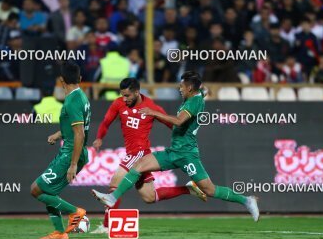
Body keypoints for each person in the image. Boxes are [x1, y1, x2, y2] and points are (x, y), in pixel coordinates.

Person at [92, 71, 260, 222]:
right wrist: (204, 91)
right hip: (174, 152)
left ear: (189, 88)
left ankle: (246, 200)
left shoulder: (192, 103)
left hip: (187, 154)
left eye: (182, 86)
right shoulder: (196, 95)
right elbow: (203, 91)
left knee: (210, 189)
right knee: (139, 165)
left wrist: (153, 112)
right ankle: (113, 198)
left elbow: (179, 121)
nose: (179, 89)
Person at [91, 78, 207, 234]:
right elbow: (106, 122)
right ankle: (188, 189)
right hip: (135, 155)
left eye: (127, 96)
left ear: (137, 92)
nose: (124, 99)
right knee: (149, 197)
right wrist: (99, 138)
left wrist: (187, 141)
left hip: (139, 152)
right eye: (122, 95)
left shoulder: (151, 107)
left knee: (115, 182)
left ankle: (106, 226)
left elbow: (173, 125)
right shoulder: (118, 104)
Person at [30, 62, 91, 239]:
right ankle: (59, 232)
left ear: (61, 80)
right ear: (80, 79)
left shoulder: (72, 101)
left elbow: (79, 133)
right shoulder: (81, 97)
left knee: (37, 190)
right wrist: (59, 134)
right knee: (49, 192)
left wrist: (73, 164)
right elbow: (78, 128)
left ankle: (76, 212)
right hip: (72, 150)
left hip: (71, 153)